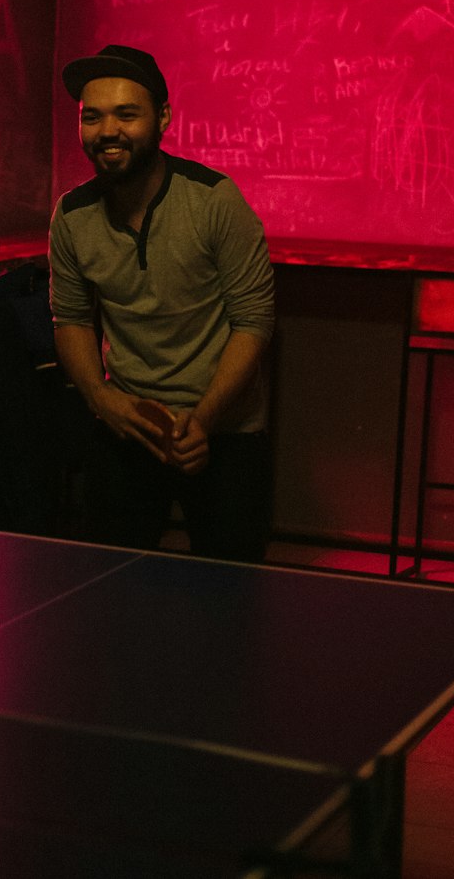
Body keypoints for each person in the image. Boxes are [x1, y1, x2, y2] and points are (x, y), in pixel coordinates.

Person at [49, 43, 275, 563]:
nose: (108, 131)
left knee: (231, 599)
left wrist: (206, 419)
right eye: (93, 117)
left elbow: (253, 320)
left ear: (163, 118)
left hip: (225, 430)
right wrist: (104, 402)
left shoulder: (215, 200)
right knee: (110, 597)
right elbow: (72, 319)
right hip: (129, 424)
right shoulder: (72, 215)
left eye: (127, 114)